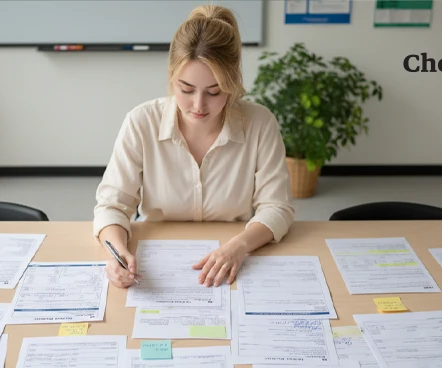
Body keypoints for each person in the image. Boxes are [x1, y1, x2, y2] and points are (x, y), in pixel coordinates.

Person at [93, 4, 294, 290]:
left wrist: (239, 246)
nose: (198, 106)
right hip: (157, 265)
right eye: (186, 89)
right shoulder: (141, 122)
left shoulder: (260, 124)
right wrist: (117, 251)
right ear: (171, 78)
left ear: (233, 83)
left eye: (214, 92)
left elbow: (277, 207)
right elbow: (112, 205)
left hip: (234, 261)